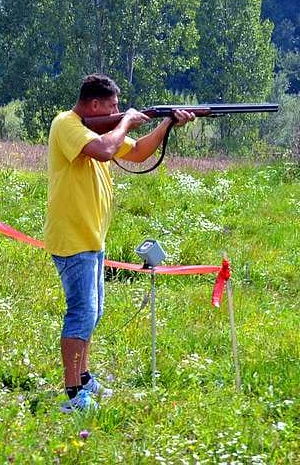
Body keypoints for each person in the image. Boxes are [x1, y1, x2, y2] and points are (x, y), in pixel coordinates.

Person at [45, 73, 195, 413]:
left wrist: (168, 124)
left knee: (93, 312)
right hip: (73, 239)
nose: (117, 110)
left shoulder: (95, 128)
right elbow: (105, 151)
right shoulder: (67, 124)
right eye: (112, 106)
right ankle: (72, 396)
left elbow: (139, 152)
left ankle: (83, 379)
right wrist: (127, 120)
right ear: (94, 105)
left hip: (91, 238)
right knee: (82, 314)